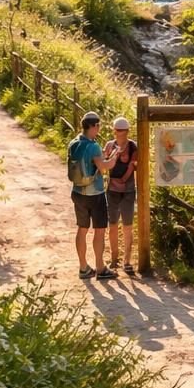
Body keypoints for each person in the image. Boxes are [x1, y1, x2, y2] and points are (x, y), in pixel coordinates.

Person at [68, 112, 119, 280]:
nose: (99, 129)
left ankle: (83, 268)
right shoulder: (93, 146)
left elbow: (90, 161)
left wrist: (103, 154)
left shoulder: (74, 143)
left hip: (77, 192)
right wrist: (115, 156)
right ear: (94, 126)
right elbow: (104, 167)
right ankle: (100, 267)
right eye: (99, 126)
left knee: (82, 230)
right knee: (99, 231)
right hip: (95, 194)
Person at [103, 117, 139, 275]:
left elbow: (133, 165)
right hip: (112, 190)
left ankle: (127, 261)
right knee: (112, 225)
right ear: (114, 131)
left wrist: (124, 178)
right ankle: (114, 259)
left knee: (127, 226)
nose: (119, 133)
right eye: (117, 130)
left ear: (127, 131)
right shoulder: (110, 146)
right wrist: (113, 158)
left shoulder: (132, 146)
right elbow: (104, 164)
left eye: (122, 130)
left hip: (128, 190)